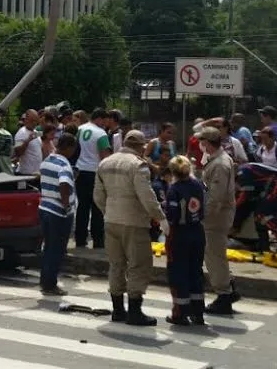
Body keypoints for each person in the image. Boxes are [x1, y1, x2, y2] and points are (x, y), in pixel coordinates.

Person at [96, 130, 168, 326]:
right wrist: (160, 217)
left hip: (111, 221)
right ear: (140, 146)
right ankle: (135, 311)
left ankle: (118, 310)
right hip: (134, 222)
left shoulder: (105, 163)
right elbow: (147, 195)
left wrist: (109, 211)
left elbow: (98, 196)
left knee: (116, 265)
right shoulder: (138, 165)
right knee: (138, 265)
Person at [198, 127, 240, 315]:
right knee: (216, 254)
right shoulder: (216, 160)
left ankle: (224, 295)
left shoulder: (220, 164)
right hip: (217, 215)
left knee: (214, 256)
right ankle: (229, 287)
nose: (200, 145)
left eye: (202, 142)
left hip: (216, 217)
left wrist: (203, 217)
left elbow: (215, 197)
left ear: (207, 142)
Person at [162, 155, 208, 326]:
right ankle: (198, 312)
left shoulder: (174, 189)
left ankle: (180, 313)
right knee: (195, 271)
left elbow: (172, 216)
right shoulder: (199, 185)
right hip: (197, 232)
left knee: (178, 273)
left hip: (179, 235)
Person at [37, 133, 79, 295]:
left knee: (48, 247)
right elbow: (64, 183)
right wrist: (66, 204)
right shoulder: (64, 164)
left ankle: (45, 280)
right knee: (57, 249)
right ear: (69, 147)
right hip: (58, 212)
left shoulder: (47, 160)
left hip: (45, 207)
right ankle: (50, 284)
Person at [233, 163, 277, 253]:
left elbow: (244, 198)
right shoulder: (244, 171)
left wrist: (232, 210)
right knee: (259, 215)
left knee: (262, 214)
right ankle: (263, 245)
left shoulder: (243, 173)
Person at [73, 108, 112, 249]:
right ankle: (98, 241)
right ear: (100, 118)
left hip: (79, 172)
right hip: (95, 173)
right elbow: (105, 156)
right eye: (105, 121)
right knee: (97, 208)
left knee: (82, 207)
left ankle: (80, 240)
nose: (106, 124)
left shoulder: (80, 129)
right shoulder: (101, 133)